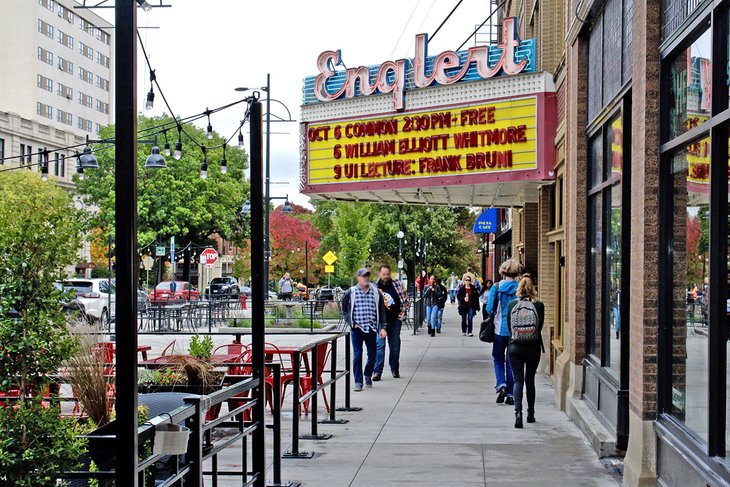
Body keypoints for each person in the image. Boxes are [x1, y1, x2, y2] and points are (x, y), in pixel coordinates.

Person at [507, 275, 544, 428]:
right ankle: (531, 413)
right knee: (530, 380)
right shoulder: (539, 305)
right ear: (533, 289)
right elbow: (539, 326)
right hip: (533, 347)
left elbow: (510, 328)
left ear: (519, 289)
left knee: (517, 380)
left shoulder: (512, 304)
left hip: (515, 347)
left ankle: (518, 413)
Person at [341, 268, 388, 391]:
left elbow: (382, 311)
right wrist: (351, 323)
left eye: (367, 276)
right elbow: (344, 309)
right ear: (358, 278)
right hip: (357, 328)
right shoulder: (351, 292)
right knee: (357, 355)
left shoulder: (376, 292)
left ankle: (367, 374)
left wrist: (383, 327)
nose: (365, 278)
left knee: (373, 355)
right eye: (363, 276)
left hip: (371, 328)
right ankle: (358, 381)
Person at [486, 258, 521, 405]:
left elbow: (489, 309)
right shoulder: (519, 287)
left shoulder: (496, 287)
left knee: (497, 358)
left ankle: (501, 384)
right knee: (511, 362)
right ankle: (511, 395)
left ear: (503, 271)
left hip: (499, 329)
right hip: (516, 331)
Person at [373, 265, 409, 381]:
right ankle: (377, 372)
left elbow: (405, 300)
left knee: (395, 347)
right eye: (383, 274)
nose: (386, 276)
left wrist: (403, 313)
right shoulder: (374, 286)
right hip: (379, 322)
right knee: (379, 346)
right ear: (380, 274)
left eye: (387, 274)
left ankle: (394, 368)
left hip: (394, 321)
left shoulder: (397, 284)